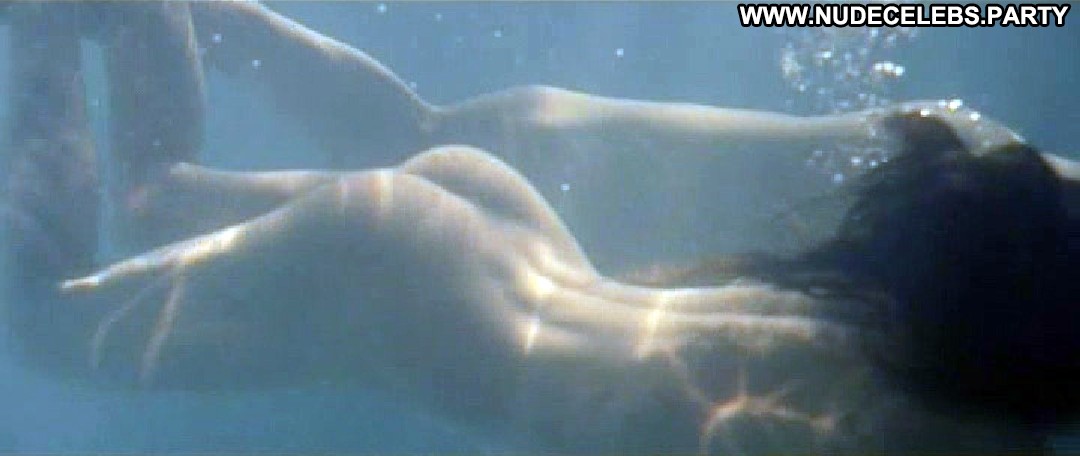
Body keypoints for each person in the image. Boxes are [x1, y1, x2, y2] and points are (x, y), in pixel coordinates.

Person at [3, 2, 1077, 453]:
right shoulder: (961, 433)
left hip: (503, 221)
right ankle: (47, 28)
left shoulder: (880, 317)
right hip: (411, 280)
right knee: (42, 322)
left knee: (158, 192)